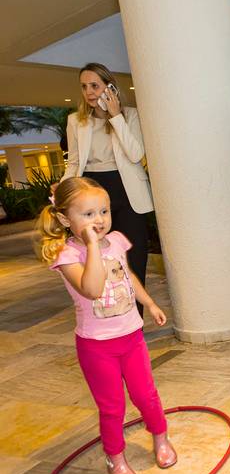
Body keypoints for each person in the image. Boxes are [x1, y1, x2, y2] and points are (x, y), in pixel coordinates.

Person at [36, 177, 176, 474]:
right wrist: (91, 247)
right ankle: (116, 458)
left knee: (146, 395)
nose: (99, 220)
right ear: (65, 219)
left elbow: (129, 277)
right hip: (96, 347)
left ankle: (161, 438)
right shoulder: (68, 256)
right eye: (88, 214)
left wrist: (149, 302)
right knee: (112, 407)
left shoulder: (116, 241)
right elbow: (92, 288)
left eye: (104, 211)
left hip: (132, 338)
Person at [59, 63, 153, 313]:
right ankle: (111, 318)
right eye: (84, 86)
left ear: (110, 87)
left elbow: (136, 154)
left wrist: (115, 116)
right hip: (92, 191)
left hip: (127, 193)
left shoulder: (130, 115)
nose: (89, 92)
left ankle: (136, 320)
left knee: (135, 258)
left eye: (95, 85)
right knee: (99, 259)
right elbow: (74, 162)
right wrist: (63, 190)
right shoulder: (75, 121)